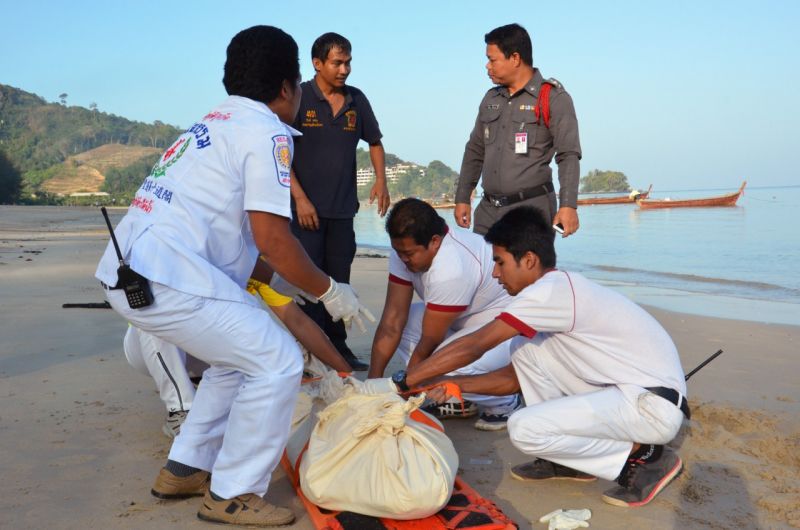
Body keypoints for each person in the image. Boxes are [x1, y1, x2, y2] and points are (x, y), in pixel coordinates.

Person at [95, 26, 373, 527]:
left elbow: (250, 245)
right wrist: (329, 289)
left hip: (130, 274)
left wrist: (293, 285)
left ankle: (186, 467)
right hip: (171, 279)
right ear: (289, 86)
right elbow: (273, 237)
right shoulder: (266, 132)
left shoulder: (212, 122)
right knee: (279, 362)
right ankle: (233, 492)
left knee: (236, 360)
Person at [401, 206, 689, 507]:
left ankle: (646, 458)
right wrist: (452, 383)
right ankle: (566, 463)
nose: (495, 273)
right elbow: (513, 379)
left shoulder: (548, 292)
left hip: (651, 406)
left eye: (499, 262)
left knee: (523, 428)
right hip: (634, 394)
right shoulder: (553, 292)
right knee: (524, 351)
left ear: (528, 260)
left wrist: (405, 380)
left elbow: (476, 344)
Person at [123, 276, 354, 439]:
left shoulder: (254, 263)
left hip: (208, 351)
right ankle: (180, 409)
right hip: (151, 349)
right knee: (155, 315)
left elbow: (298, 321)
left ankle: (204, 386)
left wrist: (346, 374)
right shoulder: (190, 253)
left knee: (280, 343)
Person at [369, 198, 520, 430]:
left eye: (409, 253)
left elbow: (429, 341)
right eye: (399, 252)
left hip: (507, 330)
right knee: (407, 321)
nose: (403, 259)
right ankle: (459, 400)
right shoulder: (404, 250)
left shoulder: (451, 267)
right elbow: (392, 322)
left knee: (446, 366)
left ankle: (505, 403)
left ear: (435, 242)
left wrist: (406, 387)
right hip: (463, 322)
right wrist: (373, 385)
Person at [290, 32, 389, 372]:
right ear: (317, 64)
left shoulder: (356, 100)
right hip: (303, 214)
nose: (344, 69)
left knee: (340, 282)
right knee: (308, 283)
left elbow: (375, 142)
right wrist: (300, 198)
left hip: (343, 211)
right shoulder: (299, 97)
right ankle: (305, 354)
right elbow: (278, 151)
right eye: (337, 63)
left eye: (347, 62)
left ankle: (338, 349)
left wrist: (381, 180)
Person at [455, 23, 582, 236]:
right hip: (487, 212)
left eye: (492, 59)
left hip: (531, 212)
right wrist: (462, 197)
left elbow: (568, 154)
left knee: (527, 269)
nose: (487, 66)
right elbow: (475, 150)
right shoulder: (491, 99)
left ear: (515, 58)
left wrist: (568, 206)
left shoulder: (553, 98)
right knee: (486, 270)